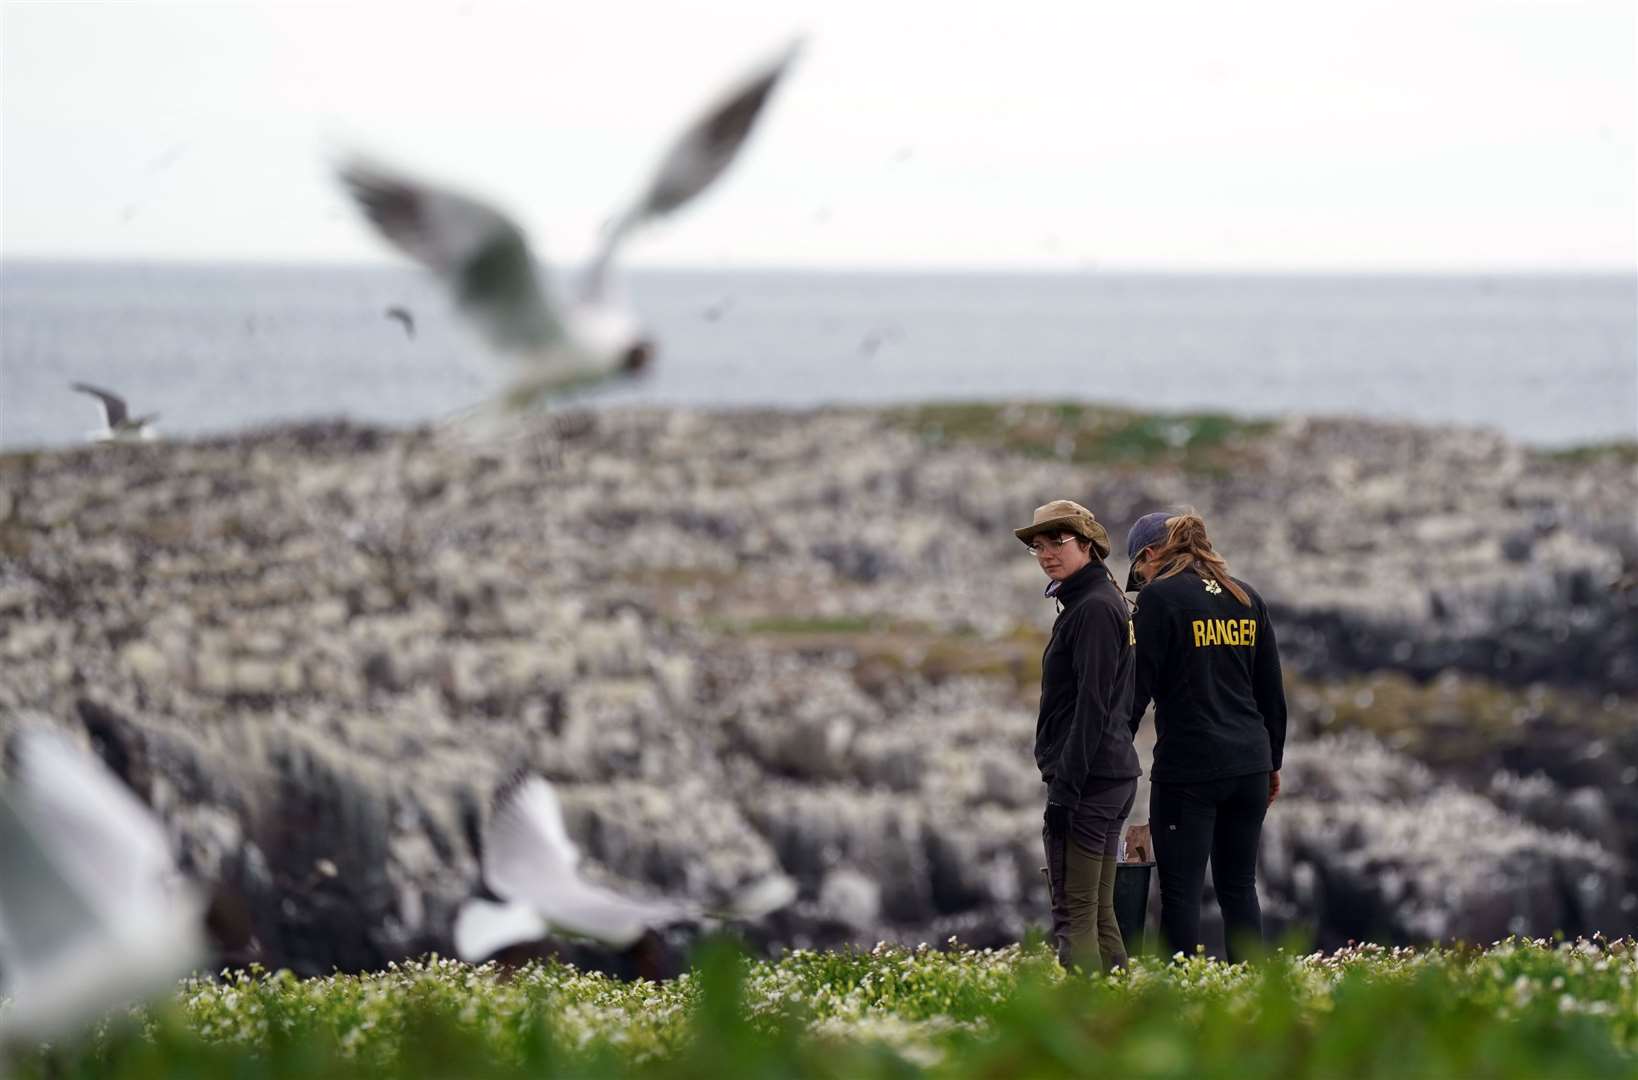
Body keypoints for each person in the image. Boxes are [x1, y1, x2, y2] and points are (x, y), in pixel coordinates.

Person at [1124, 510, 1287, 963]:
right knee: (1239, 886)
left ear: (1151, 555)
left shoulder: (1158, 599)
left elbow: (1134, 693)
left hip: (1190, 768)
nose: (1141, 579)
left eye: (1139, 569)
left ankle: (1179, 999)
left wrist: (1112, 754)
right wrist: (1271, 764)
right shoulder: (1246, 598)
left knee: (1180, 892)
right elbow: (1271, 695)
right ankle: (1252, 992)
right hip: (1250, 765)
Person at [1015, 499, 1141, 973]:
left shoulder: (1091, 608)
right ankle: (1120, 1012)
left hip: (1089, 780)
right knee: (1098, 910)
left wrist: (1066, 788)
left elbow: (1092, 706)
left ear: (1087, 545)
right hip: (1110, 773)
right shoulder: (1097, 600)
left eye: (1058, 542)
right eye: (1038, 546)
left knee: (1073, 914)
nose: (1047, 553)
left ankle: (1088, 1022)